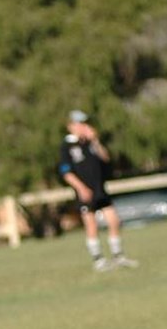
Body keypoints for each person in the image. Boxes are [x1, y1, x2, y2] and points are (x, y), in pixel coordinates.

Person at [58, 110, 138, 272]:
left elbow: (105, 158)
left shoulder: (89, 143)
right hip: (85, 191)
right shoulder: (67, 146)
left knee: (114, 220)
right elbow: (66, 172)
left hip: (100, 188)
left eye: (85, 123)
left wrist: (95, 141)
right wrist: (81, 188)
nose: (84, 126)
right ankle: (98, 259)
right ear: (71, 126)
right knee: (91, 225)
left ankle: (118, 255)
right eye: (80, 124)